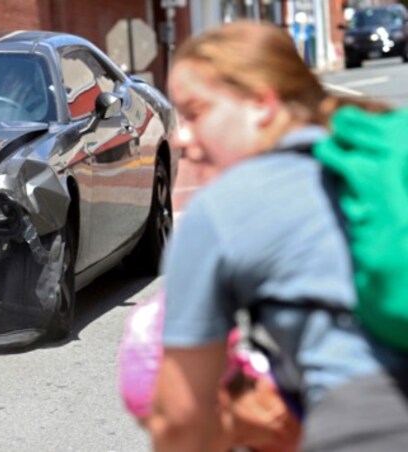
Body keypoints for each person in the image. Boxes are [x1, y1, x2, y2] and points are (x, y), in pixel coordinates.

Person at [139, 21, 408, 451]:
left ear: (262, 105)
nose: (183, 138)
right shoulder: (384, 155)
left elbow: (181, 419)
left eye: (195, 113)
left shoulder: (224, 209)